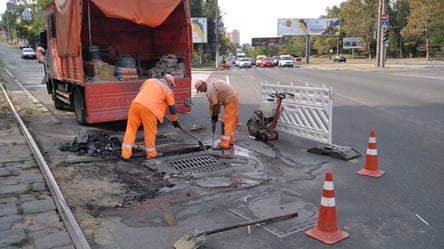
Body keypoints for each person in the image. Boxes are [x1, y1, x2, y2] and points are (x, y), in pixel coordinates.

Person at [121, 74, 180, 160]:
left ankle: (125, 154)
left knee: (131, 129)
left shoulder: (150, 80)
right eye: (171, 84)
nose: (171, 86)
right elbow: (172, 108)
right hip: (150, 109)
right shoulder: (167, 89)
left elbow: (142, 91)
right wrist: (175, 120)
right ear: (169, 82)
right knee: (150, 131)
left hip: (135, 104)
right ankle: (151, 154)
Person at [194, 78, 239, 149]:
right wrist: (214, 114)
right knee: (230, 121)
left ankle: (224, 143)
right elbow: (213, 104)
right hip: (233, 98)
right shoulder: (211, 83)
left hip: (231, 100)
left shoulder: (210, 92)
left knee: (227, 122)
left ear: (203, 85)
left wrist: (215, 115)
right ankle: (230, 140)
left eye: (200, 89)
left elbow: (216, 105)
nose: (201, 91)